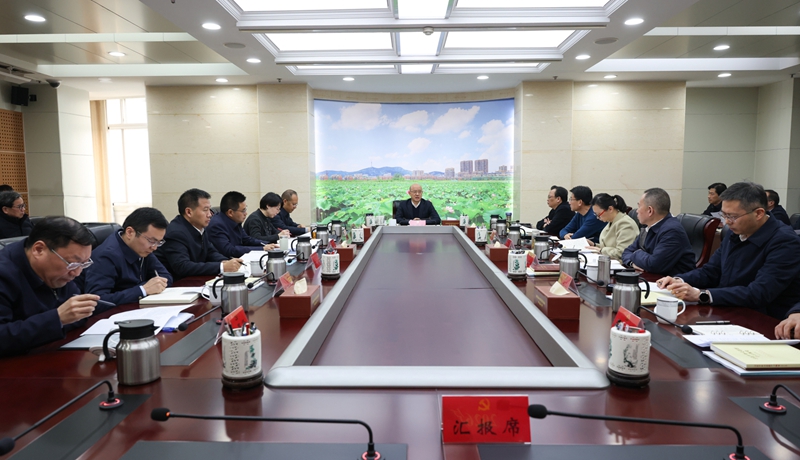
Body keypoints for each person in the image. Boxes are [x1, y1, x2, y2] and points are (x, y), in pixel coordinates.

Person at [658, 182, 800, 320]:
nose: (727, 222)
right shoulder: (735, 232)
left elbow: (759, 293)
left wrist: (702, 295)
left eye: (732, 216)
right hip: (728, 308)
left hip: (763, 319)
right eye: (724, 215)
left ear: (758, 213)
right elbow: (711, 271)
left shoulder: (785, 241)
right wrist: (679, 280)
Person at [0, 216, 102, 357]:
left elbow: (77, 317)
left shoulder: (59, 273)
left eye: (83, 264)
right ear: (39, 250)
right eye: (73, 264)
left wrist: (63, 318)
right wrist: (57, 318)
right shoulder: (5, 273)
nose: (77, 273)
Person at [83, 207, 172, 306]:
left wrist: (148, 287)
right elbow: (98, 301)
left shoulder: (143, 249)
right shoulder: (106, 256)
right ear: (130, 232)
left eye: (159, 242)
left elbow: (165, 277)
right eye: (151, 241)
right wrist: (143, 290)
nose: (154, 247)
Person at [156, 188, 244, 280]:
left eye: (209, 209)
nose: (210, 214)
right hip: (177, 283)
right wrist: (221, 267)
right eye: (205, 210)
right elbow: (182, 266)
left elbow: (210, 252)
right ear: (189, 212)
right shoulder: (176, 233)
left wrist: (227, 262)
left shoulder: (199, 226)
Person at [621, 188, 696, 276]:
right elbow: (626, 252)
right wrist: (632, 263)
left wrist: (636, 253)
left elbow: (654, 265)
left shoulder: (672, 231)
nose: (637, 211)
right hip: (653, 278)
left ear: (650, 210)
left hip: (674, 281)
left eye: (639, 206)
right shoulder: (647, 226)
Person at [207, 191, 277, 258]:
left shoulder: (235, 221)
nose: (246, 213)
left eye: (245, 209)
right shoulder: (217, 225)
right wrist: (262, 248)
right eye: (243, 210)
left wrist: (267, 244)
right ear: (230, 212)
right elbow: (229, 250)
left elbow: (247, 240)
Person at [584, 194, 638, 259]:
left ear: (610, 209)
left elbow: (622, 252)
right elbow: (609, 246)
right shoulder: (612, 221)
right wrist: (594, 245)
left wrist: (601, 250)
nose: (598, 218)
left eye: (599, 214)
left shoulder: (625, 224)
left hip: (620, 263)